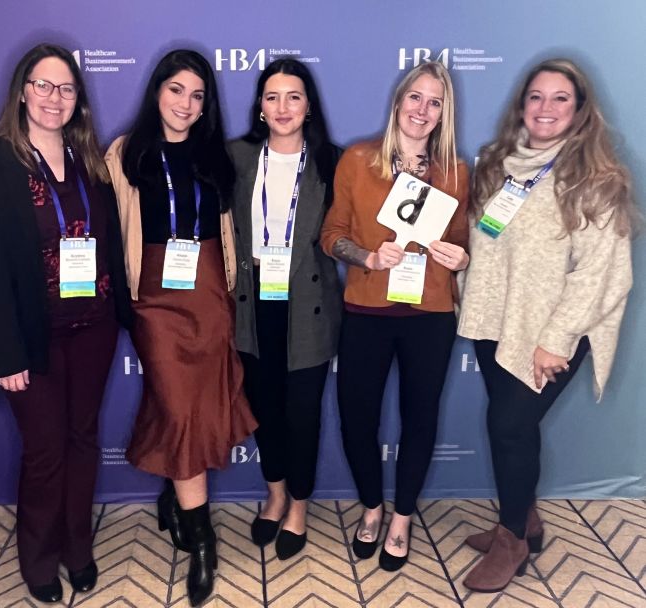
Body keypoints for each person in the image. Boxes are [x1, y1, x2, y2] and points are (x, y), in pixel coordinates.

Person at [457, 58, 635, 592]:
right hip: (495, 321)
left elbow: (603, 274)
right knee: (512, 428)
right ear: (521, 106)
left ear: (581, 110)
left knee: (509, 426)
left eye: (560, 98)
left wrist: (555, 340)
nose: (546, 108)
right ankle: (526, 519)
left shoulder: (596, 180)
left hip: (551, 335)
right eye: (536, 96)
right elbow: (486, 242)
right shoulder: (498, 164)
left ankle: (513, 540)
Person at [0, 43, 132, 604]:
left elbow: (107, 243)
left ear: (77, 99)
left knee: (83, 440)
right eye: (43, 85)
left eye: (65, 88)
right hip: (33, 339)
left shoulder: (90, 159)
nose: (53, 98)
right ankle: (38, 560)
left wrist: (123, 313)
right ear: (22, 90)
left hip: (94, 327)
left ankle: (77, 548)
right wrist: (7, 354)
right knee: (44, 451)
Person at [104, 49, 256, 607]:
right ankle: (203, 539)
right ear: (157, 92)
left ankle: (175, 494)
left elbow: (228, 227)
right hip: (154, 294)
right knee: (175, 399)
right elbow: (109, 228)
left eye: (197, 95)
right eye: (176, 90)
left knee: (189, 403)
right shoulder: (124, 153)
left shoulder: (216, 153)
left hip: (210, 287)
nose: (186, 105)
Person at [320, 61, 469, 570]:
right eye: (415, 98)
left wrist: (461, 257)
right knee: (357, 417)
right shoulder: (358, 160)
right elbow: (331, 233)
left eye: (434, 102)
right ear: (398, 100)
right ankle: (371, 507)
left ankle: (402, 517)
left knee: (420, 417)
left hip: (430, 314)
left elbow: (463, 243)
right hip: (366, 309)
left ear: (443, 113)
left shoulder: (455, 171)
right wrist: (366, 257)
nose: (422, 110)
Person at [228, 58, 343, 560]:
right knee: (264, 410)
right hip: (254, 306)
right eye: (272, 97)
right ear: (259, 106)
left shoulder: (332, 163)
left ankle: (298, 504)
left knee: (303, 414)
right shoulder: (236, 157)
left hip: (309, 306)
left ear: (309, 106)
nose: (282, 107)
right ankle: (273, 494)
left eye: (293, 96)